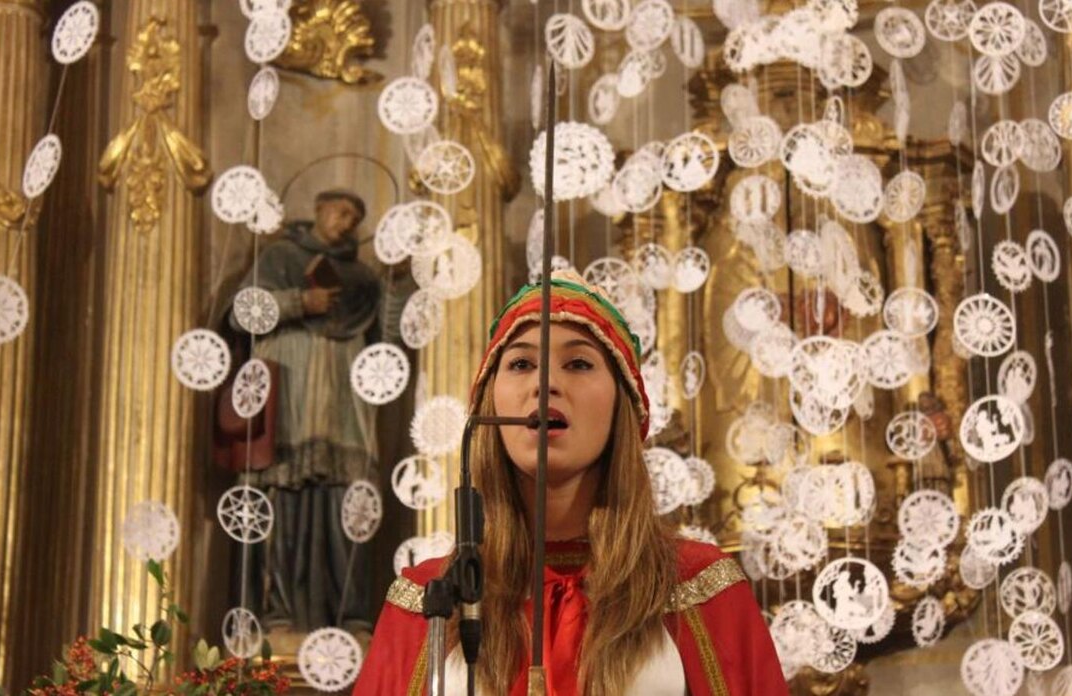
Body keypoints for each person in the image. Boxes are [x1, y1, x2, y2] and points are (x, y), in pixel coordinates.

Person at [355, 269, 787, 695]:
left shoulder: (699, 588)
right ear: (490, 400)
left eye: (578, 363)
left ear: (624, 404)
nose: (546, 384)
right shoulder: (426, 601)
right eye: (521, 363)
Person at [229, 189, 406, 641]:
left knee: (346, 501)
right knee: (283, 495)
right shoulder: (280, 257)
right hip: (289, 389)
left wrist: (396, 283)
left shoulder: (361, 278)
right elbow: (240, 316)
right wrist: (299, 303)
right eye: (340, 211)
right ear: (319, 209)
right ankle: (278, 615)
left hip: (343, 403)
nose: (346, 222)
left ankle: (350, 616)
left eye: (355, 215)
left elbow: (389, 340)